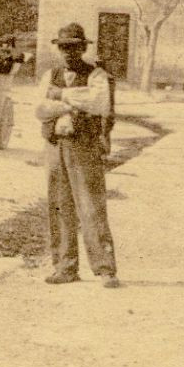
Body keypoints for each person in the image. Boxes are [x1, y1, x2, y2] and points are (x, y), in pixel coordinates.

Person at [34, 23, 120, 288]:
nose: (69, 52)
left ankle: (105, 269)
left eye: (74, 47)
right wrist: (72, 102)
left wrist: (60, 96)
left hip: (84, 146)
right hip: (56, 145)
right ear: (59, 49)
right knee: (60, 205)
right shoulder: (50, 74)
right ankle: (65, 266)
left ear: (83, 48)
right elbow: (40, 108)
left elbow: (99, 103)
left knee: (91, 205)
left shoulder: (97, 75)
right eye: (64, 47)